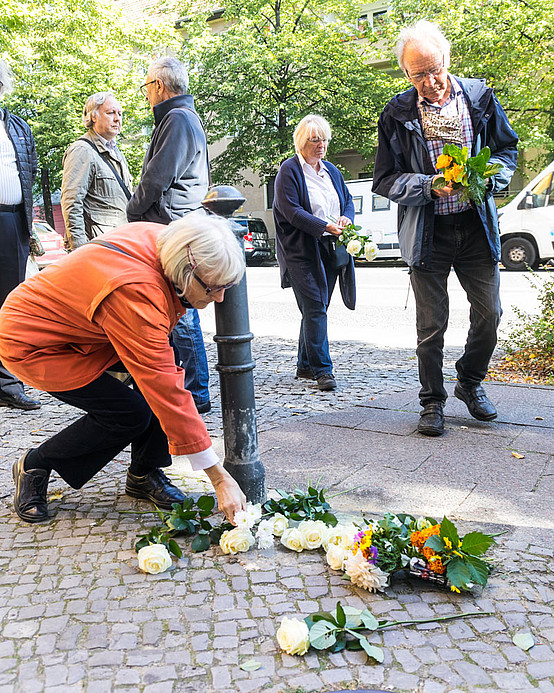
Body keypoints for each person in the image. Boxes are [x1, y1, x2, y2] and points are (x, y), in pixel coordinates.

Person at [0, 213, 247, 525]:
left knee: (166, 371)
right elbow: (165, 389)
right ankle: (35, 464)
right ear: (186, 273)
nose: (221, 297)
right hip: (38, 343)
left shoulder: (173, 241)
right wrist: (219, 478)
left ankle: (144, 473)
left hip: (91, 329)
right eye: (213, 288)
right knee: (128, 414)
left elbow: (162, 376)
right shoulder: (136, 291)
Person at [373, 20, 518, 437]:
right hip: (428, 232)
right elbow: (385, 179)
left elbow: (506, 150)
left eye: (434, 69)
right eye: (418, 74)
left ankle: (469, 383)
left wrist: (490, 176)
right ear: (405, 73)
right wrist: (426, 186)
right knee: (432, 324)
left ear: (447, 60)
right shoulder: (397, 113)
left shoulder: (479, 97)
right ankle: (432, 401)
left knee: (490, 313)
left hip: (475, 227)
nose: (430, 81)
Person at [127, 57, 211, 414]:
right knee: (180, 308)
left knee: (182, 310)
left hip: (171, 224)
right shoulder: (183, 117)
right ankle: (189, 389)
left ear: (159, 87)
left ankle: (195, 392)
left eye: (147, 87)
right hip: (178, 221)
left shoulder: (176, 119)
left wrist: (133, 211)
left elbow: (157, 177)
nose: (146, 95)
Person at [273, 114, 356, 391]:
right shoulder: (289, 170)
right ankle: (323, 370)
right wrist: (324, 226)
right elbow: (291, 211)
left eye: (324, 139)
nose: (321, 145)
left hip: (331, 248)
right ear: (302, 142)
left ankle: (305, 365)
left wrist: (345, 218)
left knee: (316, 309)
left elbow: (347, 200)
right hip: (301, 251)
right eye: (314, 140)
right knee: (315, 308)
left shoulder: (331, 170)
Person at [0, 58, 40, 411]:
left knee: (10, 304)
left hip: (13, 223)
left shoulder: (18, 127)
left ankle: (8, 381)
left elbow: (30, 169)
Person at [61, 92, 133, 251]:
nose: (117, 118)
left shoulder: (116, 152)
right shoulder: (82, 150)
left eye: (120, 114)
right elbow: (72, 204)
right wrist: (80, 251)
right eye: (111, 113)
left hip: (119, 243)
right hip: (98, 247)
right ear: (93, 116)